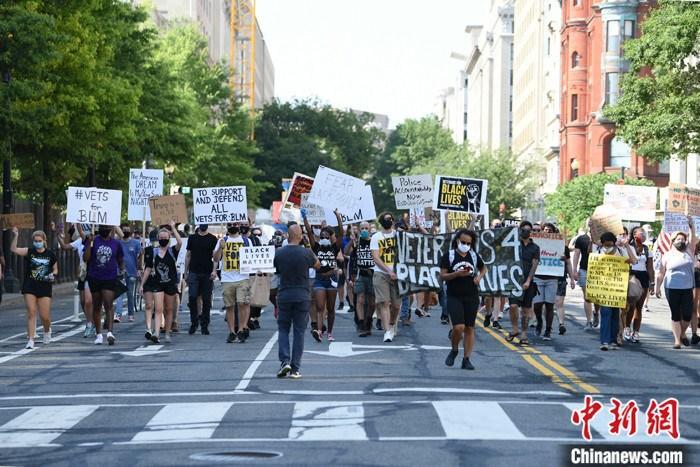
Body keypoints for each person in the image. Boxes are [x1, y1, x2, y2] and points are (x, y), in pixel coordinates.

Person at [274, 224, 320, 379]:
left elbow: (278, 270)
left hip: (285, 294)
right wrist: (308, 246)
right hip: (302, 295)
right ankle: (295, 368)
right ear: (301, 236)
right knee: (299, 332)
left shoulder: (280, 253)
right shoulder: (306, 252)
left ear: (288, 235)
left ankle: (284, 361)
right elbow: (318, 265)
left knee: (283, 329)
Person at [441, 228, 486, 370]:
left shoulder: (473, 256)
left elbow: (483, 268)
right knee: (458, 327)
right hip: (454, 295)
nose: (465, 245)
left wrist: (478, 277)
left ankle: (466, 359)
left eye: (468, 243)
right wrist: (456, 274)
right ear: (457, 241)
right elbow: (443, 275)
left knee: (470, 328)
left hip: (471, 295)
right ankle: (454, 349)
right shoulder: (449, 255)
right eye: (463, 242)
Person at [11, 228, 58, 349]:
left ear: (44, 241)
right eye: (35, 240)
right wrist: (16, 235)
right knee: (31, 312)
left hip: (44, 286)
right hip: (30, 285)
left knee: (45, 316)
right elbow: (13, 249)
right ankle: (31, 339)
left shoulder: (50, 254)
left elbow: (55, 269)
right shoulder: (30, 252)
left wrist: (53, 275)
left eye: (39, 240)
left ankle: (47, 331)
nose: (37, 242)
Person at [655, 217, 697, 349]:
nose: (681, 241)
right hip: (671, 287)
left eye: (683, 239)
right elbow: (661, 272)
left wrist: (691, 225)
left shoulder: (689, 251)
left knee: (687, 315)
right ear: (673, 241)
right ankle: (677, 340)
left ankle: (683, 333)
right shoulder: (666, 255)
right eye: (678, 239)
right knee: (675, 314)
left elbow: (692, 237)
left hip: (687, 288)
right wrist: (657, 287)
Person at [304, 208, 344, 342]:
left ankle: (330, 333)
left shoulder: (334, 247)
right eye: (322, 237)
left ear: (330, 238)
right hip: (319, 280)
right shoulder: (316, 247)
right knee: (320, 307)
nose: (325, 239)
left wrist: (338, 217)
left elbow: (341, 233)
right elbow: (309, 232)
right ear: (319, 238)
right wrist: (305, 218)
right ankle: (320, 331)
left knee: (331, 308)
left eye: (327, 237)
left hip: (332, 279)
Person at [140, 223, 181, 344]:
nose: (163, 240)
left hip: (170, 284)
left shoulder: (173, 251)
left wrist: (173, 228)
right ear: (158, 239)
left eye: (165, 238)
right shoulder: (154, 252)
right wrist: (142, 284)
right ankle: (156, 333)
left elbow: (180, 243)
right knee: (158, 309)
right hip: (157, 284)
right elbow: (148, 268)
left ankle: (167, 332)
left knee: (168, 309)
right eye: (161, 238)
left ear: (169, 239)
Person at [83, 225, 124, 345]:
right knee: (97, 305)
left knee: (108, 303)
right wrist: (89, 243)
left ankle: (110, 332)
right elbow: (86, 258)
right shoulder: (92, 241)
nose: (104, 229)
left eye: (107, 227)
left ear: (111, 229)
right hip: (94, 277)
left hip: (110, 277)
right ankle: (99, 334)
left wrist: (122, 270)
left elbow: (120, 259)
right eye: (102, 227)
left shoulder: (116, 243)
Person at [595, 232, 635, 350]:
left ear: (614, 243)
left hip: (617, 288)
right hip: (604, 288)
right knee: (605, 313)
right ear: (602, 244)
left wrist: (626, 246)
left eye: (610, 245)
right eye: (606, 245)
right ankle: (604, 341)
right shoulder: (598, 252)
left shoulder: (621, 251)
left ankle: (613, 340)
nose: (608, 247)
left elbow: (633, 260)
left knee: (614, 314)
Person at [213, 223, 252, 344]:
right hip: (227, 278)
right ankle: (231, 332)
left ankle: (241, 329)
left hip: (242, 277)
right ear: (227, 227)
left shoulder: (246, 241)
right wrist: (220, 247)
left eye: (235, 224)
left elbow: (253, 258)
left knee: (242, 303)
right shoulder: (222, 240)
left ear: (239, 226)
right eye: (230, 224)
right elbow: (215, 258)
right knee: (229, 306)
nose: (232, 226)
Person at [506, 221, 540, 345]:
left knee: (526, 309)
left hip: (527, 282)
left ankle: (524, 334)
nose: (526, 231)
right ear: (520, 230)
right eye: (523, 229)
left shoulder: (535, 248)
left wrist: (528, 280)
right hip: (514, 281)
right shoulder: (513, 245)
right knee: (513, 306)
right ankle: (515, 329)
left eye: (528, 229)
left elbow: (534, 264)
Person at [57, 224, 94, 337]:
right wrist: (58, 234)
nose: (83, 232)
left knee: (89, 300)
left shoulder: (96, 240)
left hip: (94, 273)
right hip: (83, 273)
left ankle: (90, 323)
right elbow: (64, 246)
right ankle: (90, 319)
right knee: (83, 301)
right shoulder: (79, 241)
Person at [371, 212, 402, 343]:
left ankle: (392, 323)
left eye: (391, 218)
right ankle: (388, 331)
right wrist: (389, 271)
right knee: (384, 302)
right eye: (386, 219)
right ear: (382, 222)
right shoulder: (376, 237)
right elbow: (376, 258)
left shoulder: (399, 235)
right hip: (381, 273)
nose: (389, 220)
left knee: (396, 305)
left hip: (398, 274)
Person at [184, 224, 218, 335]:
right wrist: (186, 272)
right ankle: (194, 323)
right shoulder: (192, 238)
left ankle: (204, 325)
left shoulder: (213, 239)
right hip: (194, 272)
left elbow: (215, 258)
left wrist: (214, 270)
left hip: (207, 273)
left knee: (206, 299)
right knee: (192, 297)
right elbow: (188, 255)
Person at [346, 221, 375, 337]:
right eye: (362, 228)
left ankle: (369, 320)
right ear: (358, 229)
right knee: (360, 299)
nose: (364, 230)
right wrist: (350, 241)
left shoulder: (374, 241)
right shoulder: (356, 243)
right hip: (360, 274)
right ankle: (362, 323)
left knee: (372, 302)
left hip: (372, 274)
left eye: (366, 228)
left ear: (369, 229)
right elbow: (346, 252)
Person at [625, 226, 654, 343]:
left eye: (644, 233)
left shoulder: (647, 249)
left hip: (643, 277)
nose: (643, 235)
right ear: (634, 234)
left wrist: (652, 282)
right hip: (631, 276)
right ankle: (627, 328)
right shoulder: (628, 247)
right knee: (631, 304)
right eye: (640, 232)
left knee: (639, 307)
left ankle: (636, 331)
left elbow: (650, 267)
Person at [572, 222, 597, 330]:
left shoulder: (602, 239)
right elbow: (576, 254)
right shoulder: (581, 239)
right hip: (584, 269)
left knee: (597, 297)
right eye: (591, 224)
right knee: (587, 297)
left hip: (599, 272)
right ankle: (589, 321)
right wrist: (574, 270)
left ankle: (596, 312)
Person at [115, 223, 141, 323]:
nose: (126, 232)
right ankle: (118, 314)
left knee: (130, 294)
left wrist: (139, 269)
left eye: (127, 230)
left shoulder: (136, 243)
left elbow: (139, 257)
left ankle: (131, 314)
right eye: (124, 230)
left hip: (132, 272)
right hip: (120, 272)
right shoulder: (118, 243)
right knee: (119, 294)